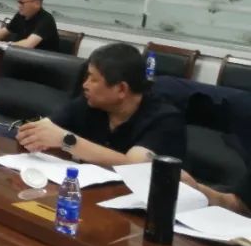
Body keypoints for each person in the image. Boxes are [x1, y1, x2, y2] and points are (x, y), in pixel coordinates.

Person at [17, 43, 186, 166]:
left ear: (121, 89)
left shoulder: (165, 120)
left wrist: (66, 141)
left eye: (94, 79)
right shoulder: (90, 103)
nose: (85, 85)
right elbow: (47, 127)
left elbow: (132, 166)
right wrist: (31, 134)